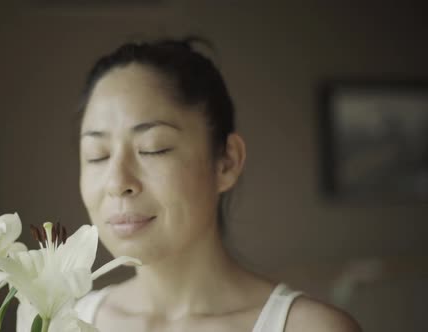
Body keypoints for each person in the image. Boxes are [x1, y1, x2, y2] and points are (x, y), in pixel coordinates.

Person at [74, 37, 360, 332]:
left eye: (153, 148)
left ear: (227, 162)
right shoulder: (61, 321)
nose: (118, 182)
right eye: (98, 155)